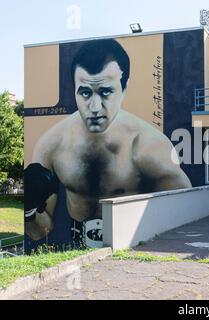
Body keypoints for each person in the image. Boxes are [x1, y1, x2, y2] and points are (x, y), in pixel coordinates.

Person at [25, 39, 192, 245]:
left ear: (124, 88)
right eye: (85, 93)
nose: (94, 107)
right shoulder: (51, 144)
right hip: (78, 254)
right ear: (75, 90)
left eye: (105, 92)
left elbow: (187, 219)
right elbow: (39, 232)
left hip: (132, 252)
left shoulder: (150, 145)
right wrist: (30, 209)